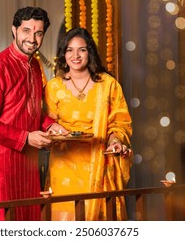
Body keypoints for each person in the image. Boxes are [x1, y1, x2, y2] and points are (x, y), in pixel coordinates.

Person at [0, 6, 66, 221]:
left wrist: (50, 124)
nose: (32, 38)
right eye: (26, 31)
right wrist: (26, 137)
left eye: (38, 33)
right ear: (14, 30)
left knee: (28, 221)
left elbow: (31, 111)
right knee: (1, 224)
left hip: (27, 165)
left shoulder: (35, 66)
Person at [44, 27, 133, 221]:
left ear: (89, 52)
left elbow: (120, 121)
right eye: (69, 50)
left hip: (99, 161)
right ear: (63, 54)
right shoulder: (53, 87)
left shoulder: (108, 85)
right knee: (66, 220)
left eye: (81, 49)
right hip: (64, 164)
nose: (75, 55)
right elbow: (45, 121)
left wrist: (115, 140)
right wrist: (51, 127)